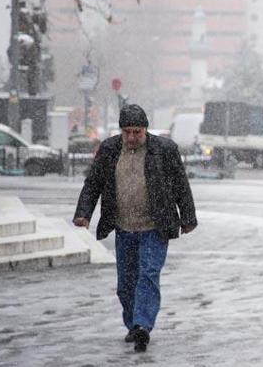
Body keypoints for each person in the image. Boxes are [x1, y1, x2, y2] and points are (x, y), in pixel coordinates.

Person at [73, 104, 197, 352]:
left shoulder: (164, 150)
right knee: (125, 284)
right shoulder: (109, 150)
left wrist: (188, 217)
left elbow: (181, 185)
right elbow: (93, 182)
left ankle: (143, 325)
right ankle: (133, 324)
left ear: (146, 131)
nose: (131, 137)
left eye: (137, 132)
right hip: (124, 227)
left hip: (155, 226)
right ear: (121, 131)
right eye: (127, 132)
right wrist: (83, 213)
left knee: (148, 275)